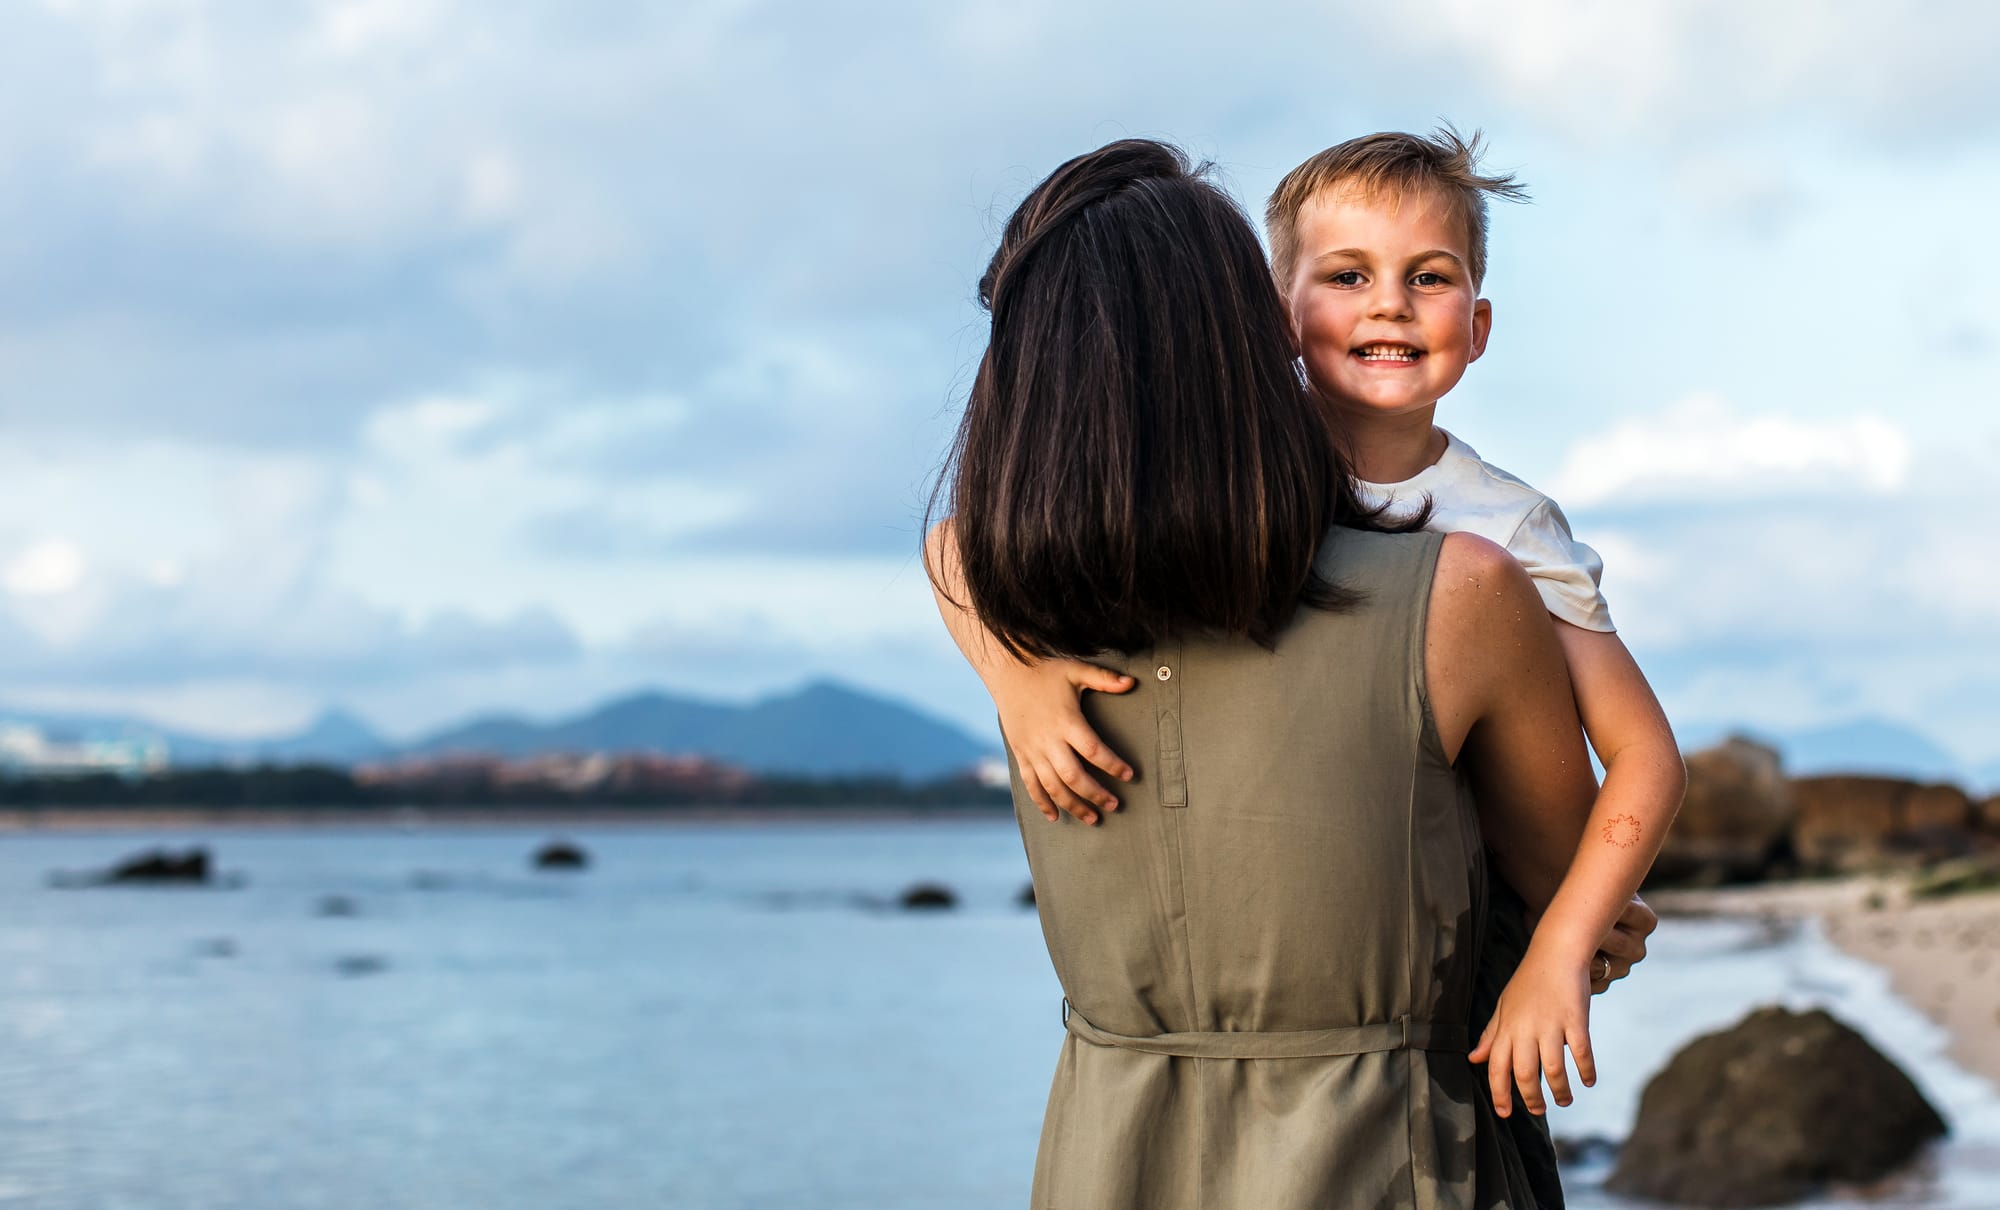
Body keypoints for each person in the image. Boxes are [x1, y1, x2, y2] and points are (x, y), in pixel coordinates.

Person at [931, 127, 1677, 1207]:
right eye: (1347, 277)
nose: (1389, 308)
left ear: (1476, 325)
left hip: (1118, 1142)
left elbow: (1642, 755)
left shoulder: (1500, 536)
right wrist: (1012, 675)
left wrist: (1568, 930)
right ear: (1273, 317)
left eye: (1427, 279)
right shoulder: (1242, 517)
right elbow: (949, 546)